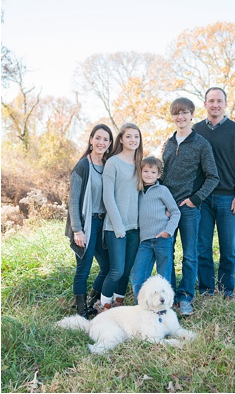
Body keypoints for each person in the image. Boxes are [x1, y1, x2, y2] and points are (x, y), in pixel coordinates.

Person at [161, 97, 219, 315]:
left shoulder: (201, 144)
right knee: (166, 254)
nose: (180, 117)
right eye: (176, 113)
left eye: (184, 112)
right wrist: (161, 201)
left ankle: (186, 297)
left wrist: (195, 199)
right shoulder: (168, 143)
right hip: (167, 208)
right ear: (173, 117)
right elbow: (162, 174)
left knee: (190, 254)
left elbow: (213, 177)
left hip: (188, 208)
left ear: (192, 114)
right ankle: (168, 298)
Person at [193, 87, 235, 299]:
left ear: (225, 104)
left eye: (219, 100)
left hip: (229, 198)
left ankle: (227, 290)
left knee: (228, 249)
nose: (215, 104)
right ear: (205, 104)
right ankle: (207, 290)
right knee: (203, 248)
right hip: (203, 198)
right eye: (211, 101)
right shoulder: (196, 130)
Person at [66, 124, 113, 316]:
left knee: (108, 266)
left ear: (110, 144)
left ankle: (93, 301)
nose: (101, 142)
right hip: (86, 224)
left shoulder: (109, 165)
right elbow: (73, 201)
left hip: (104, 223)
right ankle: (80, 310)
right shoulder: (82, 166)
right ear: (91, 139)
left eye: (105, 139)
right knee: (83, 268)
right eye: (98, 138)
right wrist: (78, 229)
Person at [99, 123, 143, 311]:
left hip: (135, 227)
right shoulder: (113, 163)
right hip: (115, 226)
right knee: (116, 270)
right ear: (121, 139)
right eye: (129, 136)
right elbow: (108, 196)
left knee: (126, 271)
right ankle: (104, 307)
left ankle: (119, 303)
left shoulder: (140, 163)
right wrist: (118, 226)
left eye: (136, 137)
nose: (133, 140)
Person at [129, 156, 180, 298]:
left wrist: (168, 232)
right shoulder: (137, 191)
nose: (149, 175)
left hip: (162, 239)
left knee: (164, 277)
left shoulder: (162, 190)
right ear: (140, 172)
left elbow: (175, 212)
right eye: (145, 171)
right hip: (144, 241)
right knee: (137, 276)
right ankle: (142, 307)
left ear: (158, 175)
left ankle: (166, 307)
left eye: (153, 172)